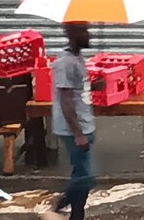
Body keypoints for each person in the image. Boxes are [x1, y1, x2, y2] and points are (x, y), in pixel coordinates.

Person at [41, 23, 101, 220]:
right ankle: (57, 207)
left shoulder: (77, 58)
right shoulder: (65, 63)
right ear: (73, 34)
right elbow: (66, 101)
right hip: (74, 129)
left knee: (82, 176)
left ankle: (77, 215)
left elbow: (77, 89)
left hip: (85, 125)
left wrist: (94, 85)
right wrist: (78, 134)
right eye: (84, 31)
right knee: (85, 177)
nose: (89, 35)